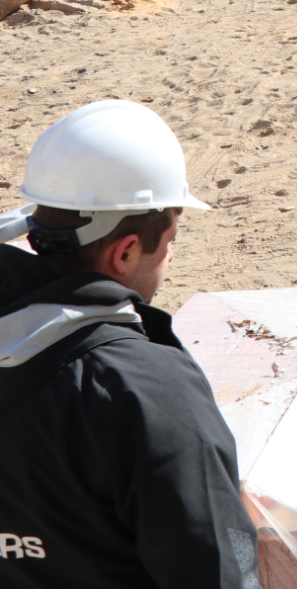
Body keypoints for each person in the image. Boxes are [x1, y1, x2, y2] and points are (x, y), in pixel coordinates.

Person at [0, 99, 259, 589]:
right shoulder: (145, 392)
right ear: (125, 251)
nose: (171, 254)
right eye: (170, 239)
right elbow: (216, 571)